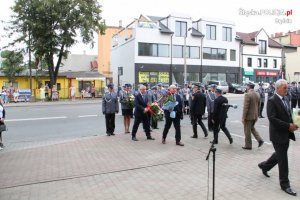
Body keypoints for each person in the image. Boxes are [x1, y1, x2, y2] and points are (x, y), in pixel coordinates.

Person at [258, 79, 298, 196]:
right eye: (284, 88)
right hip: (278, 135)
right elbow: (272, 118)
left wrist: (294, 123)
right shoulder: (272, 100)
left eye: (287, 87)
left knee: (280, 154)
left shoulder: (286, 98)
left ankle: (264, 166)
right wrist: (288, 125)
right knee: (283, 160)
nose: (287, 89)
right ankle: (285, 184)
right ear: (278, 88)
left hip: (286, 133)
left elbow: (288, 114)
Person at [242, 82, 264, 150]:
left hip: (249, 116)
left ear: (249, 87)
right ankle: (260, 140)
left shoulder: (248, 94)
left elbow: (246, 107)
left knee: (247, 131)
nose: (246, 87)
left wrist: (243, 117)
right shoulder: (257, 94)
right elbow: (259, 106)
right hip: (255, 115)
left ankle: (248, 145)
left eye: (247, 86)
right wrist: (257, 114)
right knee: (252, 128)